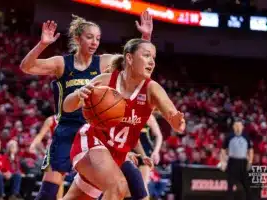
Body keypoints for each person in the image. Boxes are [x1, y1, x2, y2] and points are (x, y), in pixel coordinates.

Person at [20, 11, 153, 200]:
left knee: (134, 181)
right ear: (77, 38)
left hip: (96, 132)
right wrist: (42, 44)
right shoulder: (61, 63)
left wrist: (145, 37)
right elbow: (26, 67)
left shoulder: (104, 62)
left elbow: (134, 65)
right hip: (68, 130)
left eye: (97, 38)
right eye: (89, 37)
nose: (94, 42)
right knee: (49, 191)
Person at [62, 38, 186, 200]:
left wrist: (177, 122)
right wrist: (79, 94)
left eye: (153, 58)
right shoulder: (107, 81)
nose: (152, 62)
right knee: (118, 186)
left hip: (116, 155)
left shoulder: (151, 88)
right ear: (129, 58)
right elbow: (67, 106)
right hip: (92, 143)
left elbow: (172, 114)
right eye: (147, 56)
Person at [220, 119, 254, 200]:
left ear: (243, 127)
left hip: (243, 162)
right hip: (232, 162)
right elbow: (223, 149)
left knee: (246, 184)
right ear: (233, 127)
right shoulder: (229, 136)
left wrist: (250, 161)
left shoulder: (246, 137)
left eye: (240, 125)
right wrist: (223, 161)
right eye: (236, 125)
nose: (238, 127)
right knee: (230, 185)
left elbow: (250, 150)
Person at [134, 114, 163, 198]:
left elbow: (159, 135)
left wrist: (156, 151)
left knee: (142, 185)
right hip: (128, 150)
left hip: (146, 151)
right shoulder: (125, 111)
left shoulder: (148, 116)